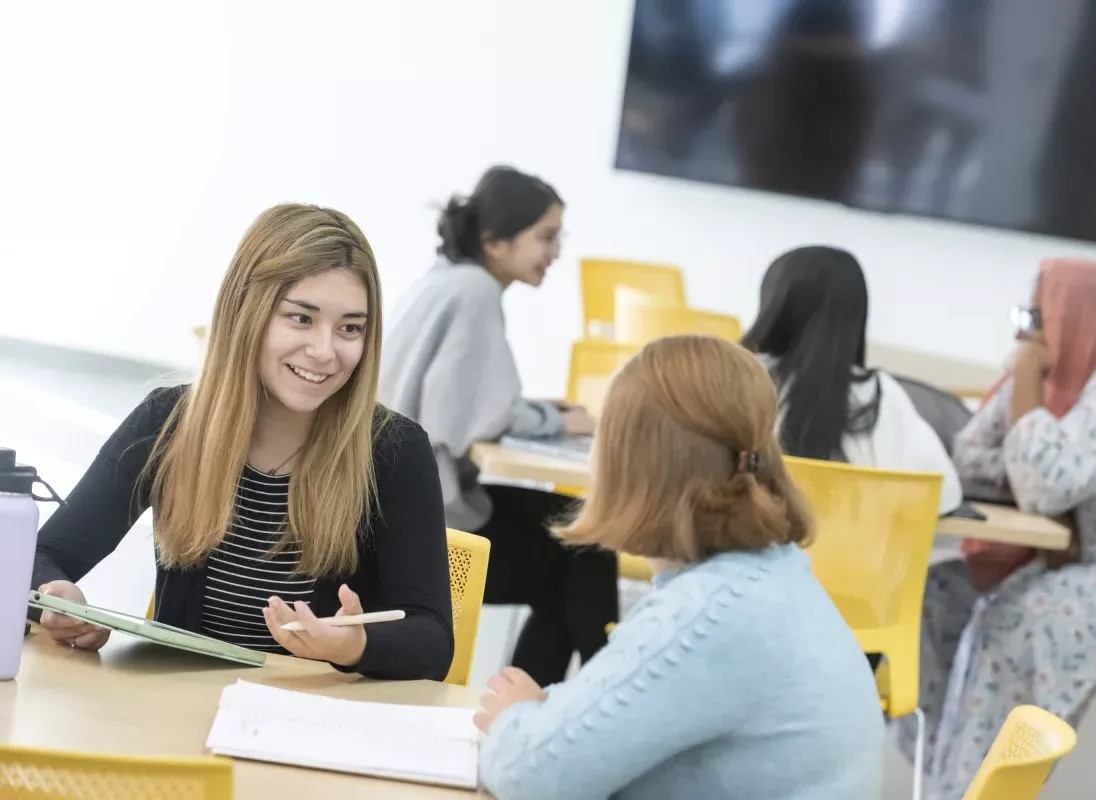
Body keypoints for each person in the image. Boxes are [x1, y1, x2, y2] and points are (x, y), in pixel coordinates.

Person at [30, 204, 454, 681]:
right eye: (300, 318)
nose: (324, 350)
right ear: (246, 314)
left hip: (310, 725)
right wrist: (56, 593)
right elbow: (41, 556)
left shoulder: (394, 450)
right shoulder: (168, 422)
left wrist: (356, 645)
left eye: (350, 328)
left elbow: (433, 640)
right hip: (178, 715)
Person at [474, 335, 884, 800]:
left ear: (634, 466)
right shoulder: (765, 578)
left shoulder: (707, 614)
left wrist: (513, 720)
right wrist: (545, 716)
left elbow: (529, 775)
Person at [899, 258, 1096, 798]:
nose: (1022, 332)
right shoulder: (1060, 372)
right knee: (934, 598)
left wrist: (1028, 381)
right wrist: (1030, 406)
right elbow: (971, 457)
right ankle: (946, 777)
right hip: (1062, 560)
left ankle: (980, 787)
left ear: (1078, 314)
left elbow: (1043, 483)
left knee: (1015, 623)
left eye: (1036, 315)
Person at [381, 165, 614, 687]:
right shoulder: (475, 292)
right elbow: (473, 421)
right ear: (495, 241)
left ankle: (539, 710)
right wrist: (553, 417)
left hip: (400, 502)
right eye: (545, 238)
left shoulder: (445, 280)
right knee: (586, 544)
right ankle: (601, 697)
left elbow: (463, 399)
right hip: (426, 529)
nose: (555, 253)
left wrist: (538, 410)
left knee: (581, 537)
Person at [741, 245, 962, 513]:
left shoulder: (741, 380)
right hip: (863, 554)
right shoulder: (880, 393)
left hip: (765, 551)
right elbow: (943, 494)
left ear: (774, 305)